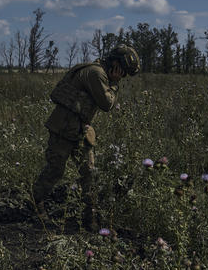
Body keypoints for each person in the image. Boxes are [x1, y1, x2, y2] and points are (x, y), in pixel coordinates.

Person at [32, 44, 140, 230]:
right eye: (123, 71)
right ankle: (36, 204)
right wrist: (114, 85)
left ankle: (90, 216)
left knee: (89, 174)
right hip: (63, 129)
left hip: (81, 130)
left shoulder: (100, 73)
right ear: (116, 63)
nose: (122, 76)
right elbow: (106, 104)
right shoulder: (95, 73)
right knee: (55, 170)